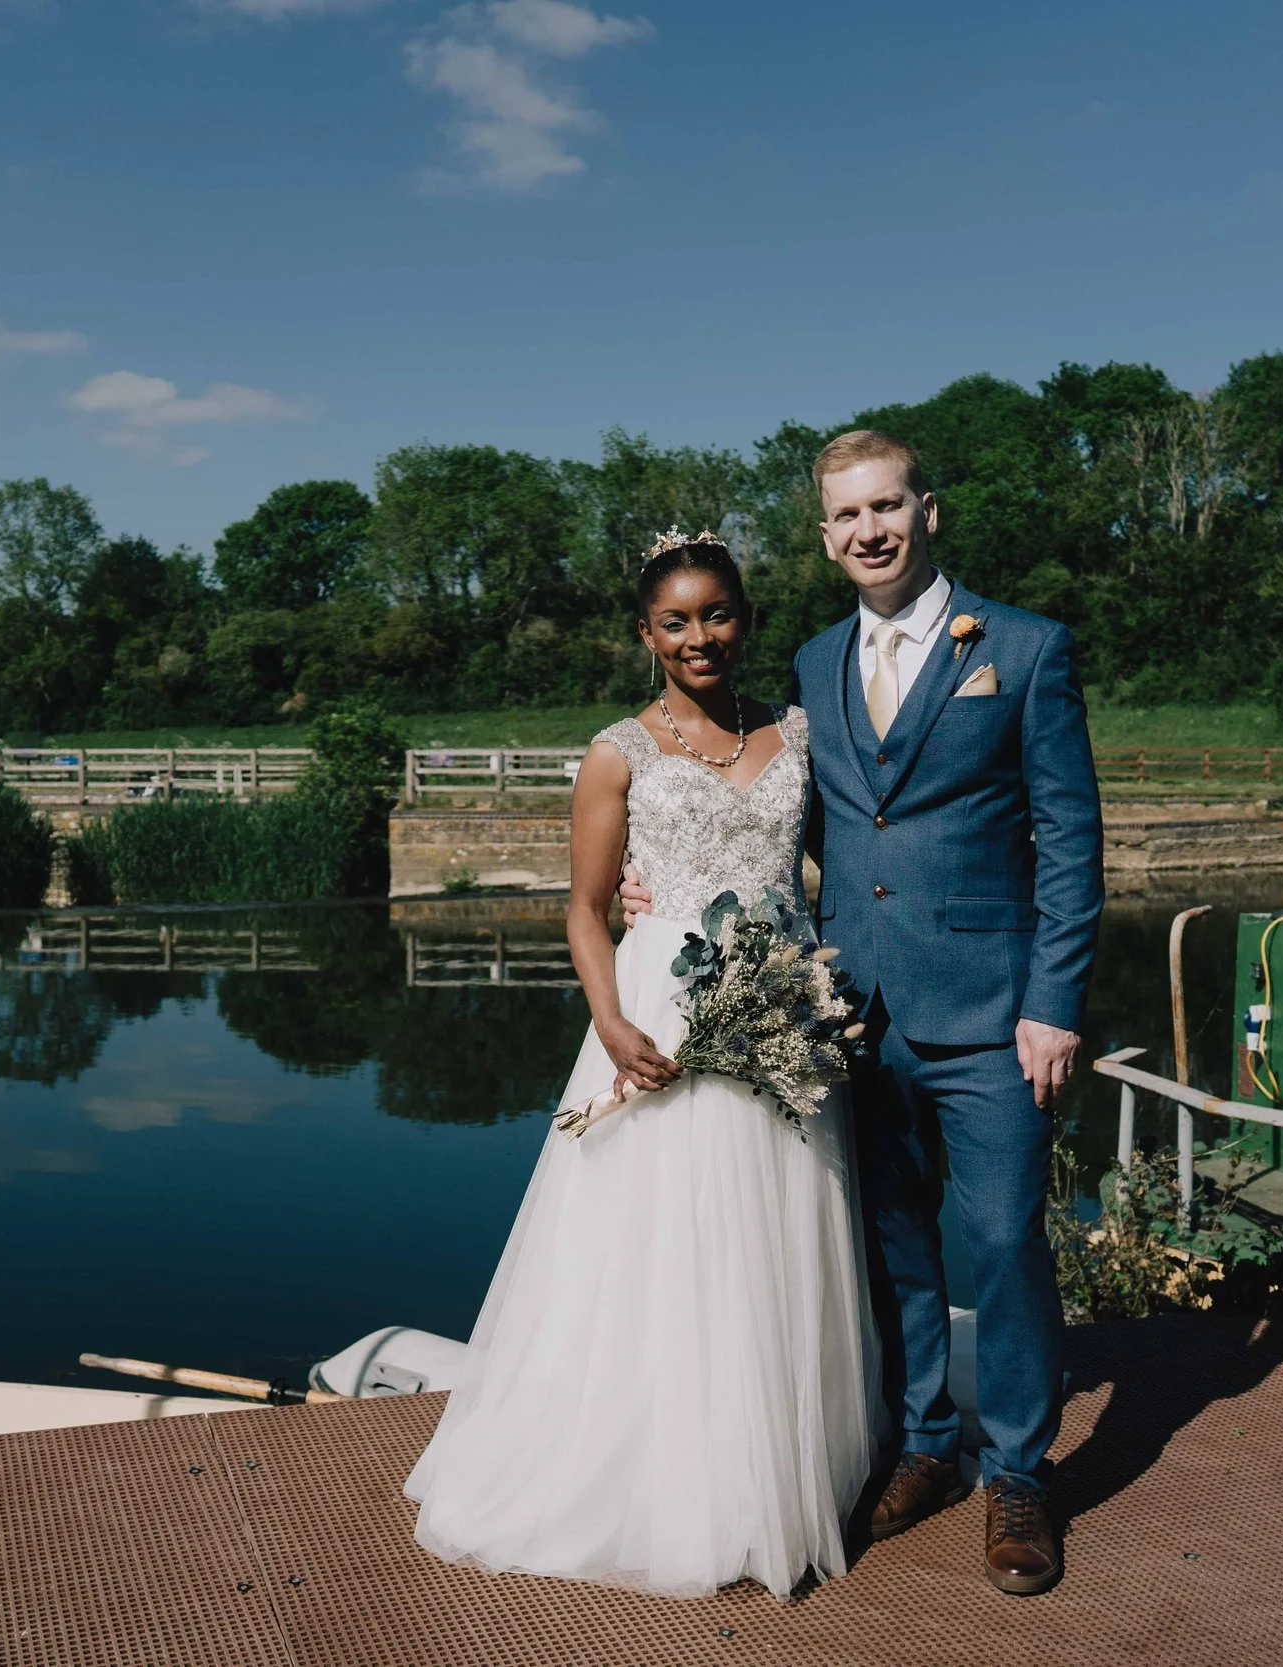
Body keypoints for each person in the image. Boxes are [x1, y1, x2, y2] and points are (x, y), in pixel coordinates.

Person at [623, 431, 1102, 1596]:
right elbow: (795, 820)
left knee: (999, 1240)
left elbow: (1073, 840)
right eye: (844, 515)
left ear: (925, 511)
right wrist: (662, 878)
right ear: (825, 532)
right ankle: (925, 1445)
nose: (867, 529)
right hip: (854, 1010)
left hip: (995, 1014)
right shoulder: (814, 659)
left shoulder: (1026, 648)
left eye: (885, 506)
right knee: (890, 1248)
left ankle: (1018, 1473)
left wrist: (1053, 1001)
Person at [404, 531, 879, 1601]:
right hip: (661, 1002)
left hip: (779, 1000)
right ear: (645, 633)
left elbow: (842, 863)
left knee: (777, 1229)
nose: (699, 635)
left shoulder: (799, 733)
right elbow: (582, 905)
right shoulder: (618, 749)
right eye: (676, 620)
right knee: (659, 1240)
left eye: (716, 613)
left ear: (745, 618)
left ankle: (778, 1467)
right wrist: (612, 1022)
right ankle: (663, 1477)